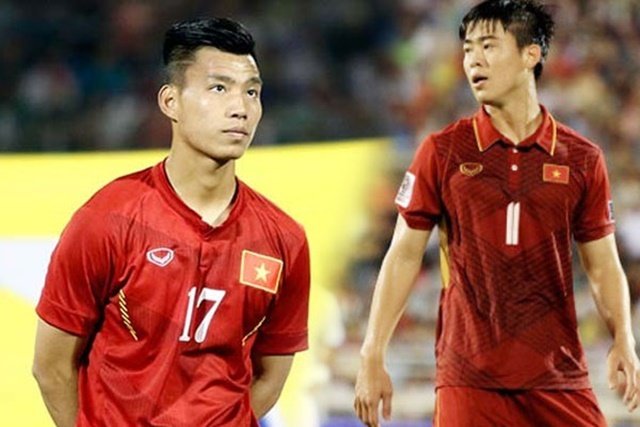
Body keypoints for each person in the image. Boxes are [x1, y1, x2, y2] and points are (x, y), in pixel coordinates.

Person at [354, 1, 640, 426]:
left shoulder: (581, 158)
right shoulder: (443, 151)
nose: (473, 60)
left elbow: (601, 264)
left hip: (557, 377)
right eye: (468, 49)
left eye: (488, 46)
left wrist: (623, 338)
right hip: (468, 379)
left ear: (530, 54)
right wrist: (372, 352)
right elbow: (403, 254)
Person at [32, 17, 310, 427]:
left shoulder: (284, 239)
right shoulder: (107, 219)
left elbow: (271, 376)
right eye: (219, 88)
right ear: (170, 101)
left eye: (252, 91)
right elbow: (51, 367)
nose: (240, 108)